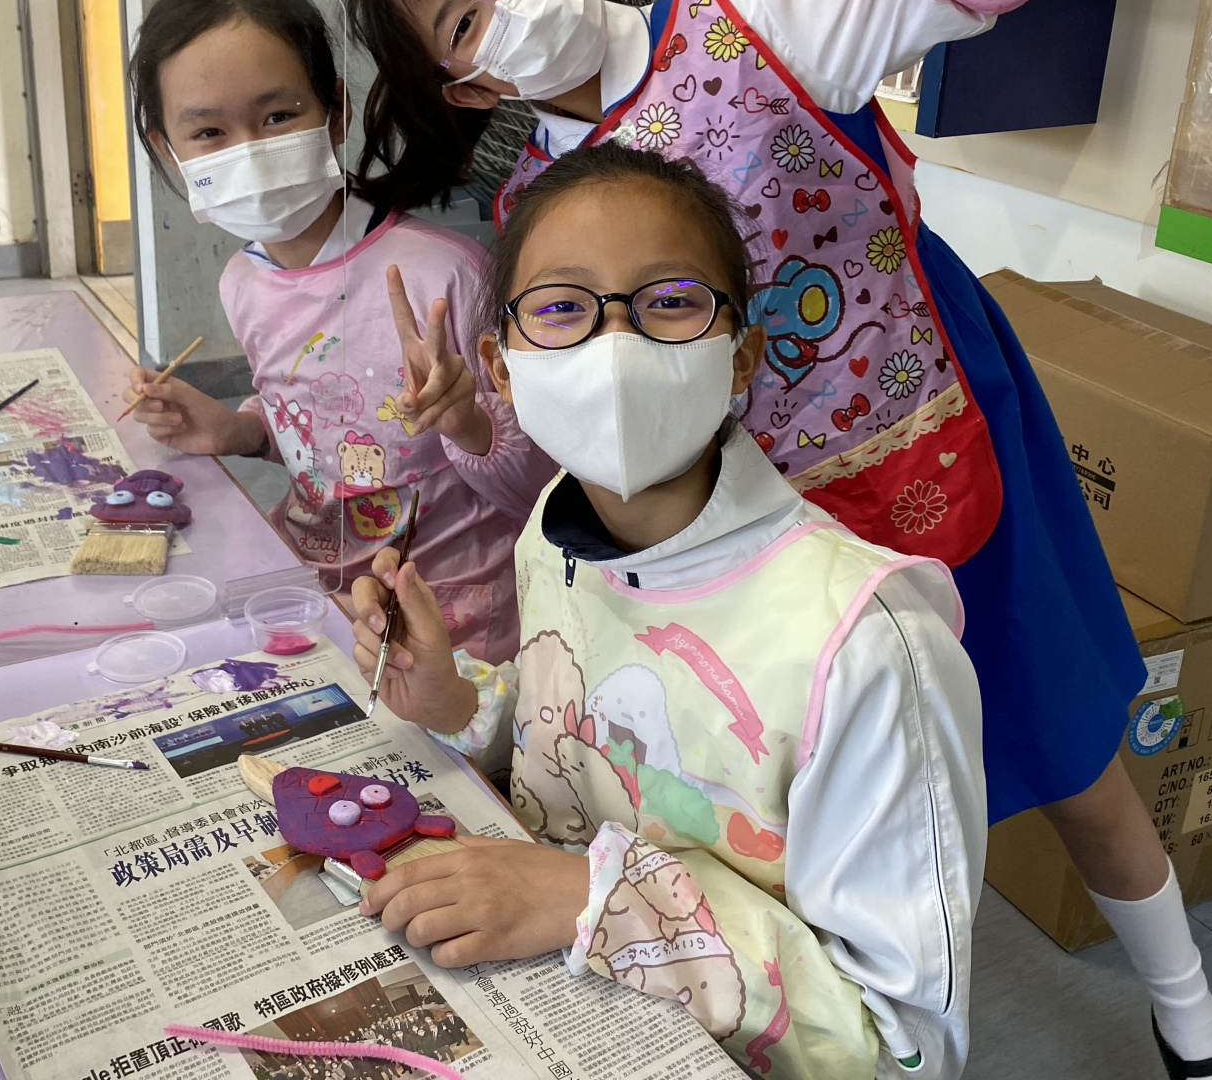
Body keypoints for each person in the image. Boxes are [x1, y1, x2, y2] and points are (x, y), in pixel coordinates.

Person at [345, 0, 1212, 1080]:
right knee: (784, 817)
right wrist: (473, 426)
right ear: (466, 85)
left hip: (931, 450)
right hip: (749, 555)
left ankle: (1193, 1023)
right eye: (465, 18)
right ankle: (834, 993)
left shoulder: (758, 13)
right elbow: (567, 475)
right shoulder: (537, 212)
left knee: (1071, 756)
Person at [351, 145, 984, 1080]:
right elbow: (575, 734)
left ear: (741, 357)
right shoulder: (553, 530)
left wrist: (596, 899)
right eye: (561, 308)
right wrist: (455, 701)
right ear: (502, 366)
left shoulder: (867, 645)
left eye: (672, 301)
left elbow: (906, 1046)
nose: (616, 344)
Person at [120, 0, 555, 662]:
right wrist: (241, 430)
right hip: (309, 604)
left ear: (336, 112)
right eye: (208, 131)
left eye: (276, 117)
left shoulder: (445, 275)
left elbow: (537, 486)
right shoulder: (243, 283)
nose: (247, 150)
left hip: (451, 632)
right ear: (168, 151)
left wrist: (467, 423)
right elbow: (318, 424)